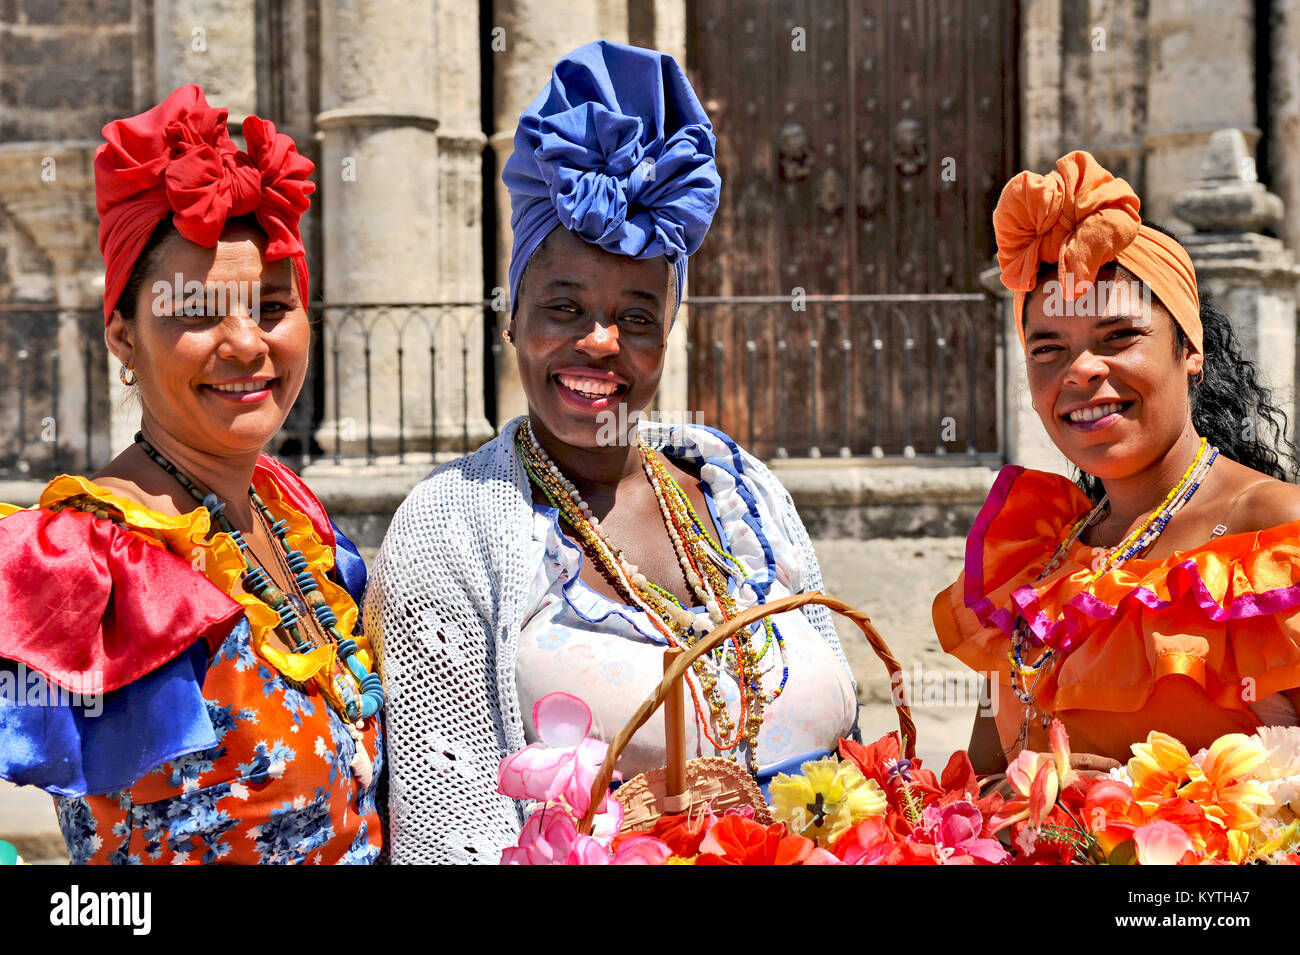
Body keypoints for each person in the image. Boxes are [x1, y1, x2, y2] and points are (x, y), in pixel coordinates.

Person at [368, 41, 858, 864]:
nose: (601, 342)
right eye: (564, 307)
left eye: (636, 317)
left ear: (666, 332)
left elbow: (851, 755)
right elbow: (448, 841)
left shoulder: (740, 491)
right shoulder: (452, 529)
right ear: (512, 319)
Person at [0, 85, 384, 864]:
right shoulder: (82, 559)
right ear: (122, 336)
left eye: (271, 305)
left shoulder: (290, 512)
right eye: (199, 311)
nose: (246, 344)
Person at [934, 150, 1300, 774]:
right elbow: (984, 780)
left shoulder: (1275, 535)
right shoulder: (1032, 556)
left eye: (1118, 336)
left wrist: (1150, 806)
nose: (1080, 370)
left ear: (1190, 350)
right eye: (1048, 347)